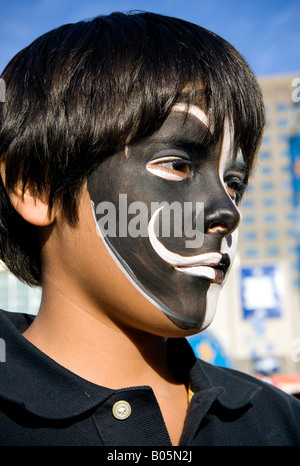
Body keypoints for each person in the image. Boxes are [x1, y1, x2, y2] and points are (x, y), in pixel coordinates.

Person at [0, 11, 299, 447]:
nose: (228, 211)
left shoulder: (281, 422)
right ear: (36, 186)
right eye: (178, 164)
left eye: (234, 185)